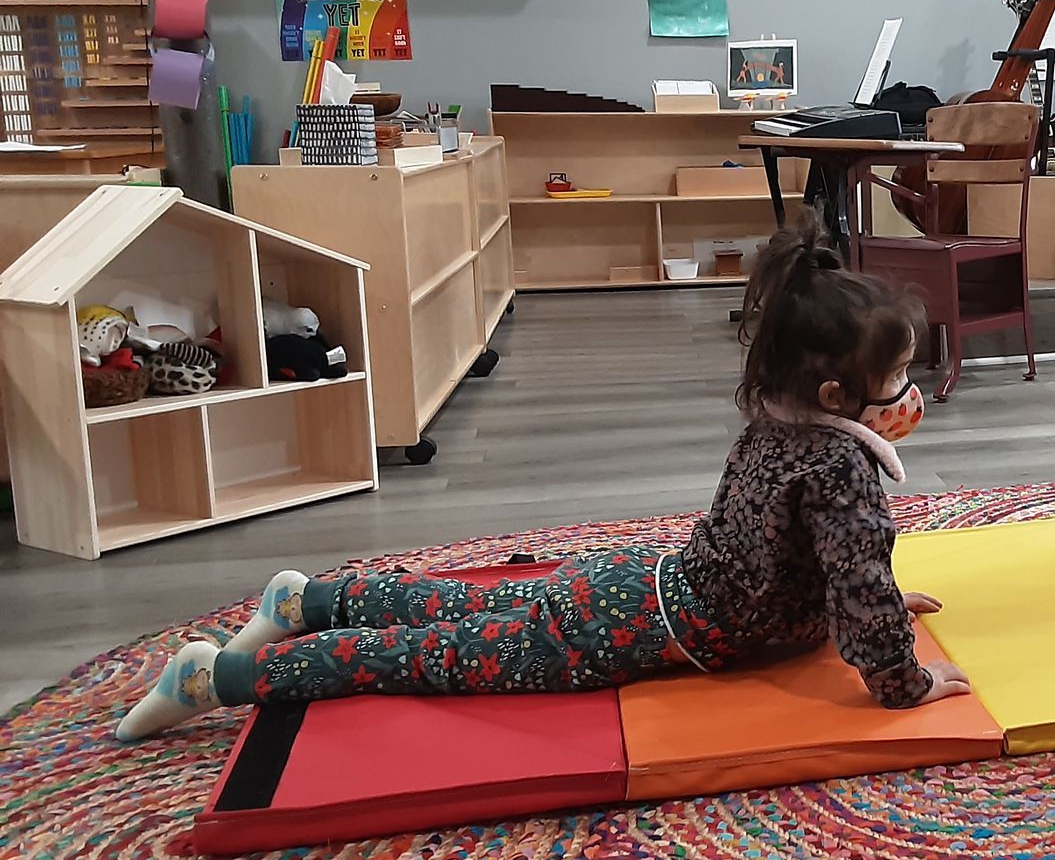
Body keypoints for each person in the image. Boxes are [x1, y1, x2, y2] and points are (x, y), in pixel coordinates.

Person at [116, 214, 971, 741]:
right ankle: (214, 678)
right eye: (897, 380)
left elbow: (805, 561)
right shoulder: (841, 468)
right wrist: (903, 677)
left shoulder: (777, 422)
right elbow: (854, 575)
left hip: (647, 582)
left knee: (468, 606)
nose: (907, 395)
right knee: (435, 658)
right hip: (637, 630)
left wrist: (872, 603)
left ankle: (306, 601)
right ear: (836, 394)